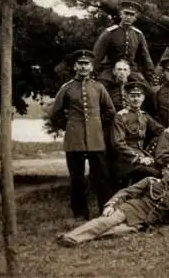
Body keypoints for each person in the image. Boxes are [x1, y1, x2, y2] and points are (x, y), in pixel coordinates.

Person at [56, 154, 169, 247]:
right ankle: (71, 238)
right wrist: (111, 205)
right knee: (105, 222)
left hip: (141, 224)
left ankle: (73, 236)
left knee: (112, 232)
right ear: (163, 171)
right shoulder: (150, 181)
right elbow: (126, 192)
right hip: (128, 209)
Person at [49, 50, 116, 220]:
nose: (84, 67)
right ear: (75, 66)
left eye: (87, 64)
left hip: (96, 140)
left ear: (92, 66)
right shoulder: (67, 88)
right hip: (74, 141)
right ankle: (79, 213)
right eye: (80, 63)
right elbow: (55, 114)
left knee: (102, 177)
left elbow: (110, 111)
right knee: (76, 179)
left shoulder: (98, 87)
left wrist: (97, 125)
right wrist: (70, 127)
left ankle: (105, 212)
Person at [111, 81, 164, 189]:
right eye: (132, 96)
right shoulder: (120, 116)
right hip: (126, 160)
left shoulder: (143, 115)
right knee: (153, 173)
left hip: (142, 156)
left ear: (143, 98)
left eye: (139, 96)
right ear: (127, 97)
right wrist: (140, 158)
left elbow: (160, 130)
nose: (136, 99)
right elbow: (119, 144)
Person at [93, 0, 154, 82]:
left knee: (147, 90)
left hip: (131, 70)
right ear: (121, 14)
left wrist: (150, 73)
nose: (128, 17)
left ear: (135, 18)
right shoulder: (109, 32)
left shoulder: (138, 34)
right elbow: (97, 55)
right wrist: (93, 72)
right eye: (126, 13)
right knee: (102, 87)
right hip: (111, 69)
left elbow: (146, 56)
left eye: (132, 15)